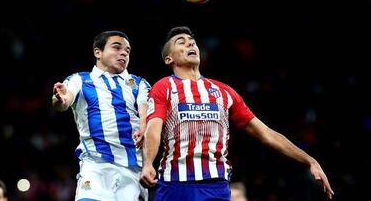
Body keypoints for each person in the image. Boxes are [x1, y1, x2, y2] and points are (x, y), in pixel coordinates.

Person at [140, 26, 334, 200]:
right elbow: (153, 128)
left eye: (192, 41)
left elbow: (266, 134)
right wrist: (148, 162)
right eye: (181, 42)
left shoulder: (224, 92)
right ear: (169, 59)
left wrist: (309, 160)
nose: (190, 43)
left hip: (216, 187)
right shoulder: (163, 87)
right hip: (175, 185)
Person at [52, 30, 150, 201]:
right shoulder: (80, 80)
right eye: (117, 47)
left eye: (127, 50)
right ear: (98, 52)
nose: (124, 53)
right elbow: (64, 101)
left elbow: (145, 112)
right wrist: (59, 99)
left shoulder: (138, 83)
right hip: (95, 165)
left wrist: (144, 129)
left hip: (134, 169)